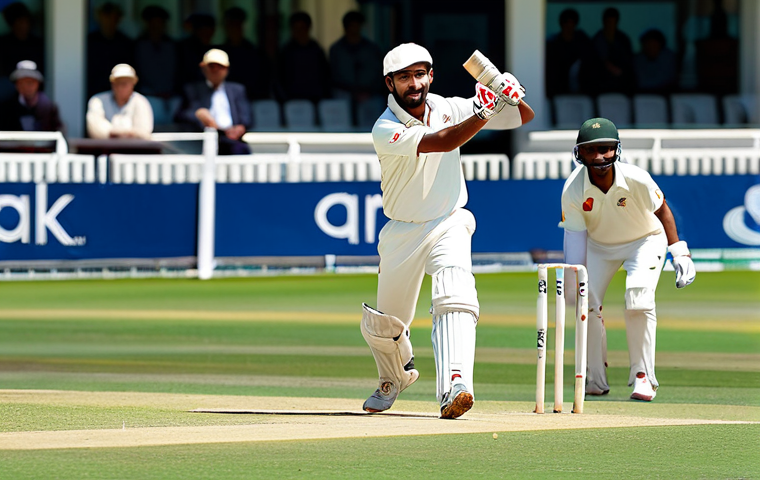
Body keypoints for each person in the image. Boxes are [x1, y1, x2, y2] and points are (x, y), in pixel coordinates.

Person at [361, 43, 534, 419]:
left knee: (454, 291)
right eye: (405, 77)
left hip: (449, 219)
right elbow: (444, 142)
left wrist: (510, 94)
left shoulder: (448, 106)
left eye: (420, 74)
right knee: (383, 325)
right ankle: (393, 379)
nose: (414, 83)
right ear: (389, 83)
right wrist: (487, 108)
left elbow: (523, 117)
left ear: (431, 76)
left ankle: (456, 385)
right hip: (403, 231)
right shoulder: (385, 127)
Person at [559, 118, 696, 402]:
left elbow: (663, 211)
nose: (599, 156)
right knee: (586, 303)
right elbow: (575, 237)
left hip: (644, 240)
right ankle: (593, 377)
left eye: (606, 148)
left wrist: (680, 252)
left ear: (617, 149)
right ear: (579, 153)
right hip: (599, 245)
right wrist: (574, 281)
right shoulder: (572, 190)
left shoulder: (636, 178)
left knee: (638, 298)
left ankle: (643, 376)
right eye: (591, 149)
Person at [175, 48, 251, 155]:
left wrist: (240, 127)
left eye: (220, 67)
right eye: (212, 66)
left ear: (227, 69)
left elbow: (246, 117)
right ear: (203, 67)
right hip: (204, 140)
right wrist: (199, 114)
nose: (216, 70)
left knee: (241, 151)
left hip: (232, 140)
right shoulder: (193, 89)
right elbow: (181, 115)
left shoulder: (237, 90)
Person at [328, 11, 384, 112]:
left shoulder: (372, 49)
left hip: (369, 95)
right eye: (351, 26)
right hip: (343, 94)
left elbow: (378, 73)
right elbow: (333, 75)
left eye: (356, 26)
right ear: (345, 27)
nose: (354, 29)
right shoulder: (337, 50)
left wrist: (369, 92)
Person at [86, 64, 153, 140]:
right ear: (112, 84)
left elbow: (144, 133)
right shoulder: (98, 101)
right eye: (117, 82)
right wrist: (128, 133)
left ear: (133, 84)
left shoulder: (141, 102)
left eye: (125, 83)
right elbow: (96, 130)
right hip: (105, 150)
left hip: (134, 151)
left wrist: (116, 133)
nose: (121, 87)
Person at [276, 12, 330, 103]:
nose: (299, 32)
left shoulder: (316, 50)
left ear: (308, 28)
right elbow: (279, 78)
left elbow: (325, 76)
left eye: (302, 28)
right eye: (295, 29)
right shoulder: (285, 52)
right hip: (292, 101)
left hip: (315, 100)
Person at [220, 7, 270, 100]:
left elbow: (261, 81)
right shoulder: (219, 54)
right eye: (231, 25)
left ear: (242, 26)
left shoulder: (255, 53)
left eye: (237, 25)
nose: (234, 29)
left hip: (251, 100)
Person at [86, 2, 134, 99]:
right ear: (100, 17)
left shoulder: (125, 43)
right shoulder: (88, 42)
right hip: (93, 93)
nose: (110, 21)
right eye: (107, 16)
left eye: (114, 18)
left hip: (119, 96)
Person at [0, 60, 63, 133]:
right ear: (16, 85)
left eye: (30, 83)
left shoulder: (48, 107)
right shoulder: (7, 108)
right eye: (21, 83)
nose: (26, 87)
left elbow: (58, 130)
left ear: (38, 84)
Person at [583, 8, 634, 95]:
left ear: (617, 22)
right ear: (603, 22)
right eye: (608, 22)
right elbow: (593, 63)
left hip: (621, 84)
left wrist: (619, 71)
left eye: (612, 22)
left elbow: (628, 62)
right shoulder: (597, 40)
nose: (610, 25)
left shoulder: (623, 39)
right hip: (601, 84)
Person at [545, 8, 591, 97]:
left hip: (580, 93)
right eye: (566, 24)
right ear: (561, 24)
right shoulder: (553, 45)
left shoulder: (582, 43)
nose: (569, 28)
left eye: (572, 24)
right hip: (558, 93)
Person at [134, 5, 177, 97]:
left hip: (169, 97)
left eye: (160, 23)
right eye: (153, 24)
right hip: (146, 96)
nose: (157, 27)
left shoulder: (172, 46)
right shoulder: (137, 46)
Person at [0, 2, 44, 78]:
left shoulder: (38, 43)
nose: (24, 25)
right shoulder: (3, 43)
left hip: (33, 82)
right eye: (20, 21)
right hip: (9, 82)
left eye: (26, 21)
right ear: (12, 23)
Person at [634, 29, 678, 95]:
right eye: (647, 44)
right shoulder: (638, 60)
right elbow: (642, 81)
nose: (650, 47)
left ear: (660, 45)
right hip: (642, 97)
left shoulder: (668, 58)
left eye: (654, 44)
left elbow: (664, 80)